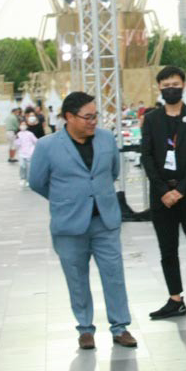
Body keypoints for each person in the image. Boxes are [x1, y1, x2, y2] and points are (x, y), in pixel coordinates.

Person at [27, 92, 135, 350]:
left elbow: (113, 172)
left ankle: (120, 328)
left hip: (105, 221)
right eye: (87, 117)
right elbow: (37, 182)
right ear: (69, 117)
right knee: (76, 278)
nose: (93, 121)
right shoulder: (47, 146)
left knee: (114, 275)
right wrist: (65, 200)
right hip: (69, 225)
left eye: (95, 116)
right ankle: (85, 329)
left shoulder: (107, 139)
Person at [142, 67, 186, 324]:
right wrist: (164, 191)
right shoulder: (151, 119)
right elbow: (147, 157)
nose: (170, 88)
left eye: (174, 83)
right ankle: (175, 299)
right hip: (162, 198)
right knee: (167, 250)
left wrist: (181, 190)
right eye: (165, 84)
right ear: (159, 88)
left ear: (183, 84)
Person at [14, 119, 37, 186]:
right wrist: (17, 140)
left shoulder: (30, 134)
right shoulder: (18, 134)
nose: (23, 126)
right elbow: (17, 144)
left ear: (26, 126)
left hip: (29, 153)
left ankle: (28, 180)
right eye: (21, 124)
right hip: (22, 153)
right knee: (22, 166)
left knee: (29, 168)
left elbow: (36, 141)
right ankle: (22, 178)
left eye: (24, 124)